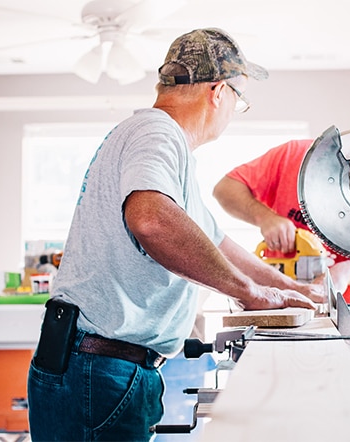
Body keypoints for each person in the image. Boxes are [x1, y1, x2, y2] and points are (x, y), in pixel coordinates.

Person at [26, 28, 323, 442]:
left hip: (100, 365)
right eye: (240, 100)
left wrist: (286, 287)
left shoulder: (161, 145)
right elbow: (151, 220)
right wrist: (250, 293)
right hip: (100, 368)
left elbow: (218, 242)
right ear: (218, 91)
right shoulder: (157, 132)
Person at [212, 114, 350, 309]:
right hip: (276, 302)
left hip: (345, 316)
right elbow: (225, 189)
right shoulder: (295, 156)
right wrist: (264, 217)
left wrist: (346, 272)